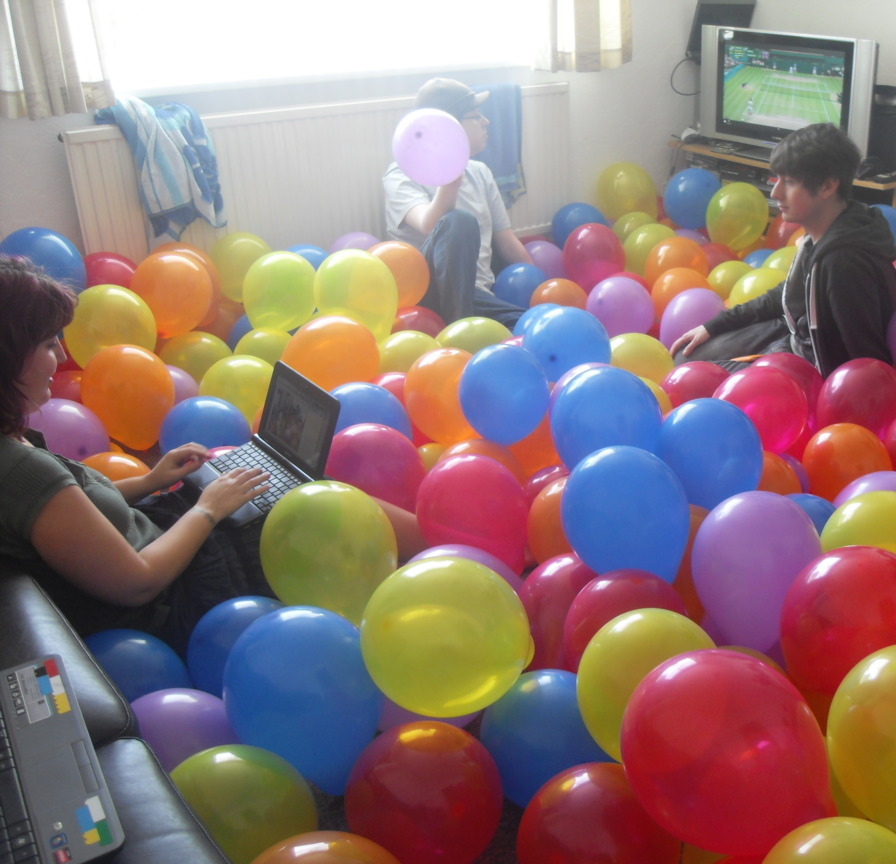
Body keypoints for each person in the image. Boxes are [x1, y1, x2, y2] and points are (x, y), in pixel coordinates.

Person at [0, 257, 426, 652]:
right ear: (9, 359)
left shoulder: (12, 447)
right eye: (46, 345)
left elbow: (77, 507)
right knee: (330, 506)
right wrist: (209, 509)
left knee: (285, 488)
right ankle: (441, 559)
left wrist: (151, 480)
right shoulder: (22, 474)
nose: (60, 355)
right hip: (185, 591)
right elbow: (138, 583)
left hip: (167, 534)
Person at [670, 123, 896, 377]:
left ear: (827, 187)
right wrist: (713, 326)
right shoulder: (819, 234)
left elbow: (867, 361)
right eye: (776, 179)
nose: (776, 192)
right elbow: (788, 296)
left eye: (788, 182)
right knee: (685, 357)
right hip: (790, 336)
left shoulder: (843, 262)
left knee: (691, 374)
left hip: (810, 370)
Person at [383, 78, 533, 329]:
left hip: (477, 296)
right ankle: (459, 330)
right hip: (427, 295)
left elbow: (506, 241)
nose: (486, 122)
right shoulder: (400, 174)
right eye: (475, 116)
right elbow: (429, 223)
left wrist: (541, 286)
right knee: (459, 222)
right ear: (447, 128)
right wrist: (450, 183)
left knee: (529, 325)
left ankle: (468, 325)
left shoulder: (481, 172)